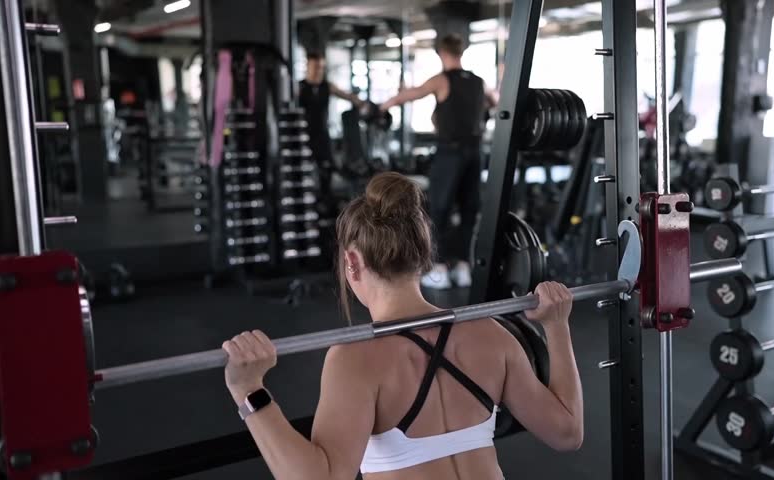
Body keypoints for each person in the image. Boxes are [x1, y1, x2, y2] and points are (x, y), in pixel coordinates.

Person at [222, 172, 583, 480]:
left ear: (351, 261)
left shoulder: (354, 360)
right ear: (423, 254)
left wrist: (249, 391)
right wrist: (556, 325)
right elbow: (567, 433)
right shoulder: (492, 334)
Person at [379, 34, 498, 290]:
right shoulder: (479, 82)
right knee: (469, 210)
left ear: (442, 54)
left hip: (450, 153)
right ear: (461, 52)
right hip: (475, 153)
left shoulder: (443, 79)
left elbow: (412, 94)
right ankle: (464, 267)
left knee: (439, 211)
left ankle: (440, 269)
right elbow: (496, 102)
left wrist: (383, 106)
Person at [299, 52, 365, 198]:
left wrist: (362, 104)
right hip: (303, 136)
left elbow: (347, 96)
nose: (319, 71)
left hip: (322, 134)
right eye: (316, 67)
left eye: (322, 67)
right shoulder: (300, 87)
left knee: (327, 168)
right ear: (308, 66)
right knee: (303, 169)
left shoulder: (327, 86)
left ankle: (325, 199)